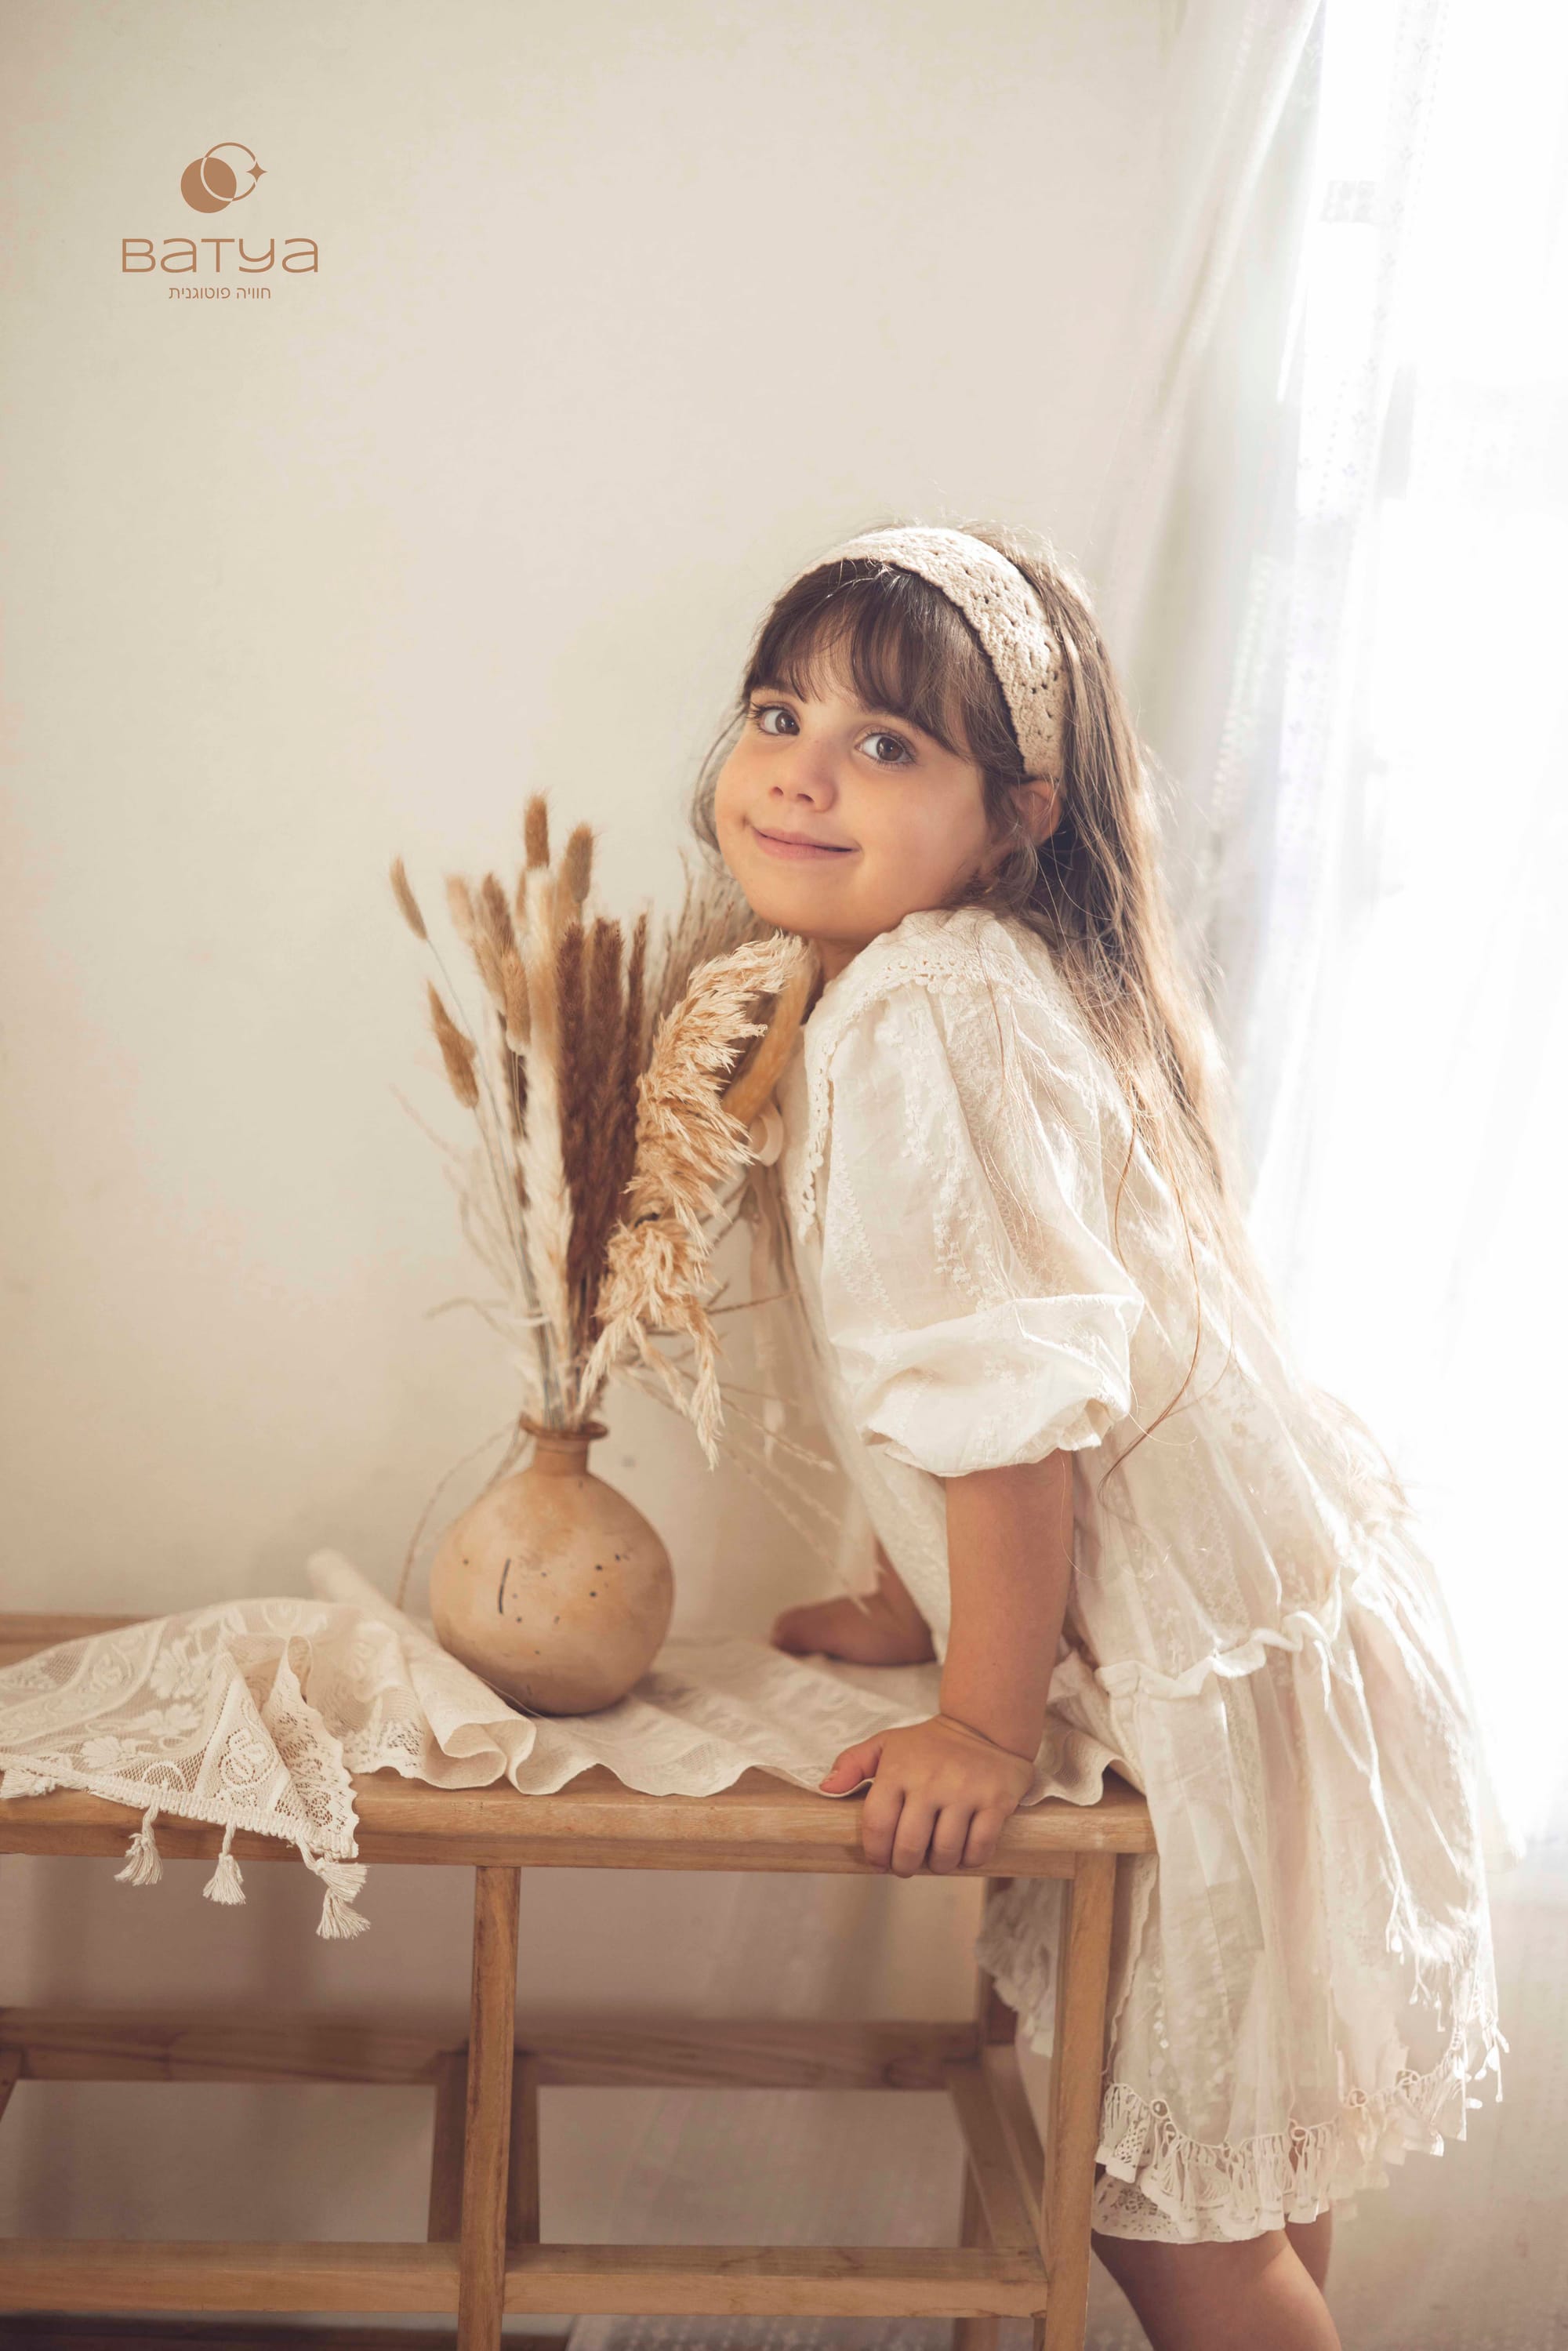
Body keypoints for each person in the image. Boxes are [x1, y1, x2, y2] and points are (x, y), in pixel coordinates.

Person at [691, 520, 1504, 2351]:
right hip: (1273, 1637)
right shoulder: (971, 981)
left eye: (886, 743)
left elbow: (1016, 1412)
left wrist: (983, 1722)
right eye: (776, 714)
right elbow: (1003, 1336)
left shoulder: (921, 1009)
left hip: (1192, 1671)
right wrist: (902, 1599)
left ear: (1016, 815)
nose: (802, 771)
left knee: (1166, 2221)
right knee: (1243, 2177)